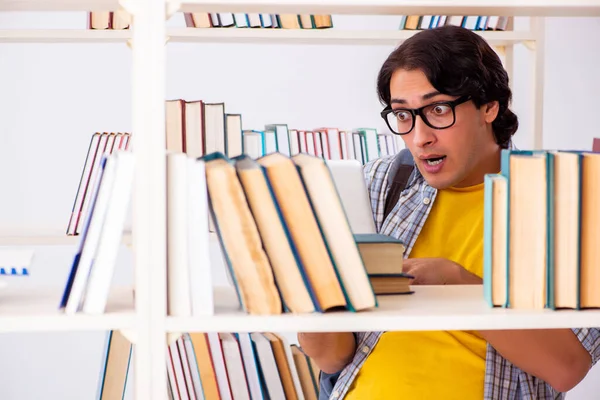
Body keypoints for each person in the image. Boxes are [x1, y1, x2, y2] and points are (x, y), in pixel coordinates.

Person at [298, 25, 600, 400]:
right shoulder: (380, 185)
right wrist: (308, 304)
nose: (419, 137)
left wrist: (460, 285)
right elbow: (333, 358)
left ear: (490, 106)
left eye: (438, 109)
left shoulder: (565, 204)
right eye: (403, 115)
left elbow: (567, 368)